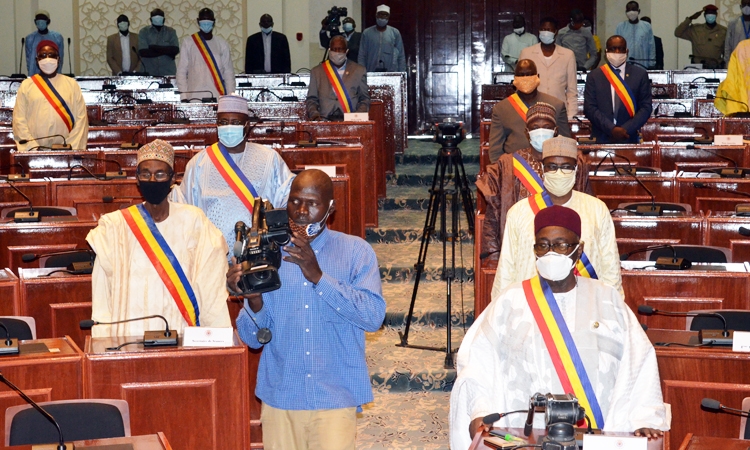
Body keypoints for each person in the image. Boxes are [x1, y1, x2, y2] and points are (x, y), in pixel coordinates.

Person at [450, 206, 669, 450]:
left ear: (579, 250)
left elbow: (639, 362)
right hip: (525, 435)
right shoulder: (510, 300)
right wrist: (481, 411)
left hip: (595, 433)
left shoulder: (606, 299)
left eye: (561, 245)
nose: (550, 253)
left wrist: (645, 417)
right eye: (542, 245)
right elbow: (478, 361)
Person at [230, 169, 386, 450]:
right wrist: (253, 301)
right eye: (295, 201)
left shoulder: (356, 252)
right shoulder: (267, 255)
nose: (301, 212)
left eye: (312, 203)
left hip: (335, 396)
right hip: (281, 396)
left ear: (330, 207)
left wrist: (319, 277)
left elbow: (373, 317)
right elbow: (252, 338)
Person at [87, 139, 232, 338]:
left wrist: (215, 338)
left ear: (172, 179)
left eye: (160, 174)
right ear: (137, 179)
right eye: (146, 174)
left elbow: (212, 288)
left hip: (180, 337)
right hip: (130, 340)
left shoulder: (194, 222)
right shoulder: (114, 227)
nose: (153, 180)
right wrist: (105, 343)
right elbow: (103, 297)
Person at [491, 136, 623, 300]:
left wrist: (612, 307)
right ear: (542, 169)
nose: (559, 172)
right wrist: (501, 308)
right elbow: (507, 267)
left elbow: (610, 267)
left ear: (576, 169)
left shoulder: (597, 209)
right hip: (532, 306)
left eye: (566, 167)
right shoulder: (519, 212)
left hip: (584, 304)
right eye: (552, 167)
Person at [171, 94, 295, 251]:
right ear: (216, 125)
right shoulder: (199, 162)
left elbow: (288, 199)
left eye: (235, 123)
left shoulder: (269, 159)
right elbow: (185, 210)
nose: (228, 127)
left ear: (247, 125)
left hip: (259, 252)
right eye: (223, 122)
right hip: (213, 256)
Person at [477, 102, 589, 261]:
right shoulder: (508, 164)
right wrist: (494, 256)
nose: (541, 131)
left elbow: (586, 209)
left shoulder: (574, 162)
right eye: (535, 127)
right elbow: (493, 216)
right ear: (527, 132)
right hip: (521, 249)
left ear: (556, 131)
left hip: (564, 249)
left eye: (547, 126)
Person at [487, 59, 571, 162]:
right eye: (521, 75)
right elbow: (495, 150)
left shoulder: (556, 105)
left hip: (549, 169)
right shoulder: (501, 109)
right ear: (515, 79)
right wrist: (502, 172)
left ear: (537, 77)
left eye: (529, 74)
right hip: (516, 170)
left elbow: (566, 145)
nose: (525, 78)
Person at [12, 40, 88, 152]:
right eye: (43, 55)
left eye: (51, 55)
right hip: (34, 152)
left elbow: (81, 121)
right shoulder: (27, 85)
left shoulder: (71, 84)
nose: (47, 59)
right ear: (37, 60)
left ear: (58, 59)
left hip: (66, 152)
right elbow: (19, 120)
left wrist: (69, 148)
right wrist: (33, 148)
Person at [584, 35, 652, 144]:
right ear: (606, 52)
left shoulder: (640, 74)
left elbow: (646, 107)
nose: (617, 52)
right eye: (612, 49)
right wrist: (611, 129)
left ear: (627, 51)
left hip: (629, 136)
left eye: (621, 49)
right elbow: (590, 108)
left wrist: (625, 129)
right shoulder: (594, 76)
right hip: (602, 136)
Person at [519, 17, 578, 120]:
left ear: (555, 32)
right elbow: (521, 86)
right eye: (543, 29)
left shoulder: (568, 55)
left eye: (549, 30)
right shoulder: (527, 53)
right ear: (539, 31)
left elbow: (572, 90)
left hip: (558, 111)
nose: (545, 32)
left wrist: (571, 116)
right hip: (532, 111)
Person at [176, 8, 235, 101]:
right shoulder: (188, 42)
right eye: (203, 20)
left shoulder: (222, 43)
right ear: (198, 21)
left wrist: (230, 96)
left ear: (214, 22)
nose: (206, 23)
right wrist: (183, 96)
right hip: (194, 96)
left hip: (218, 96)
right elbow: (181, 71)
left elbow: (228, 73)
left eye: (209, 20)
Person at [306, 35, 370, 121]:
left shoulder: (359, 70)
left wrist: (357, 117)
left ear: (346, 51)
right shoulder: (316, 71)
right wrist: (315, 116)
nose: (337, 52)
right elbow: (312, 100)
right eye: (334, 49)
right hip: (324, 121)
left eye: (340, 49)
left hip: (351, 121)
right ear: (329, 50)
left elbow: (364, 99)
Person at [358, 4, 406, 72]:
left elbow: (401, 55)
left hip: (391, 74)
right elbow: (362, 55)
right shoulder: (367, 33)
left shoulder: (395, 33)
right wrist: (362, 72)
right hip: (371, 73)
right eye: (380, 14)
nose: (382, 17)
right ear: (376, 15)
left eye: (385, 15)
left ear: (388, 17)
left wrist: (402, 73)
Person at [137, 8, 179, 76]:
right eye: (155, 18)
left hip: (168, 72)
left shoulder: (171, 32)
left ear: (164, 19)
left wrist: (153, 47)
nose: (157, 20)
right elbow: (143, 52)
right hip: (148, 72)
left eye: (160, 18)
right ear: (150, 19)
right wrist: (167, 51)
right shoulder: (144, 32)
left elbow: (175, 50)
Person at [614, 1, 656, 69]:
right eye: (629, 10)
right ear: (626, 12)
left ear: (638, 11)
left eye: (633, 9)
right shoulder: (621, 27)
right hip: (625, 65)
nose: (631, 12)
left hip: (643, 65)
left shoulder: (646, 26)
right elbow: (616, 46)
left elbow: (651, 46)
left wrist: (652, 63)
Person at [714, 39, 750, 115]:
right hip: (744, 109)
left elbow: (733, 81)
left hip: (743, 109)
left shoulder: (743, 46)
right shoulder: (743, 47)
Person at [24, 10, 64, 77]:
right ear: (35, 23)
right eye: (38, 22)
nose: (40, 24)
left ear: (48, 22)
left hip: (53, 74)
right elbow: (28, 59)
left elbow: (60, 57)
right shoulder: (30, 38)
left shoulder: (57, 37)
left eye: (42, 22)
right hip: (35, 75)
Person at [724, 0, 750, 66]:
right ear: (741, 6)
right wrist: (728, 64)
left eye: (749, 4)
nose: (746, 7)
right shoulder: (733, 23)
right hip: (737, 62)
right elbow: (727, 45)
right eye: (744, 4)